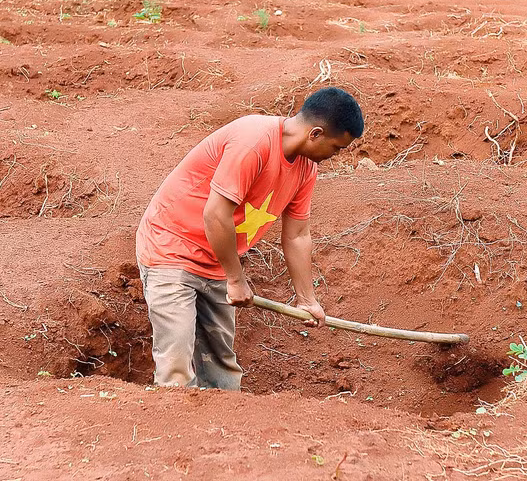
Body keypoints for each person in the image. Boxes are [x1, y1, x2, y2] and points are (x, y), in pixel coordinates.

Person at [135, 87, 364, 390]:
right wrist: (235, 278)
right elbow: (215, 215)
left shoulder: (306, 167)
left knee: (220, 366)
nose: (334, 156)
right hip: (171, 249)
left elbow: (297, 235)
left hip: (216, 259)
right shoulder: (253, 141)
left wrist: (307, 299)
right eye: (336, 148)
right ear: (316, 133)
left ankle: (222, 435)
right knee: (176, 365)